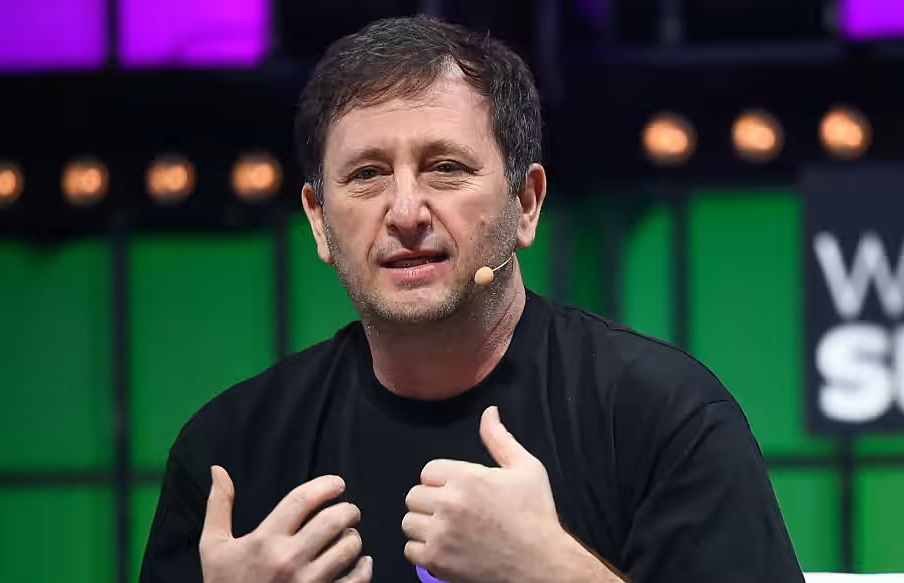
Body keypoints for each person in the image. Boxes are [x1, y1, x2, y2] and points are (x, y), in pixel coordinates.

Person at [139, 15, 805, 583]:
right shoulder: (229, 456)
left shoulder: (665, 416)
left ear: (526, 203)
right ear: (318, 221)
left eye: (445, 168)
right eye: (367, 174)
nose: (405, 211)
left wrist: (554, 572)